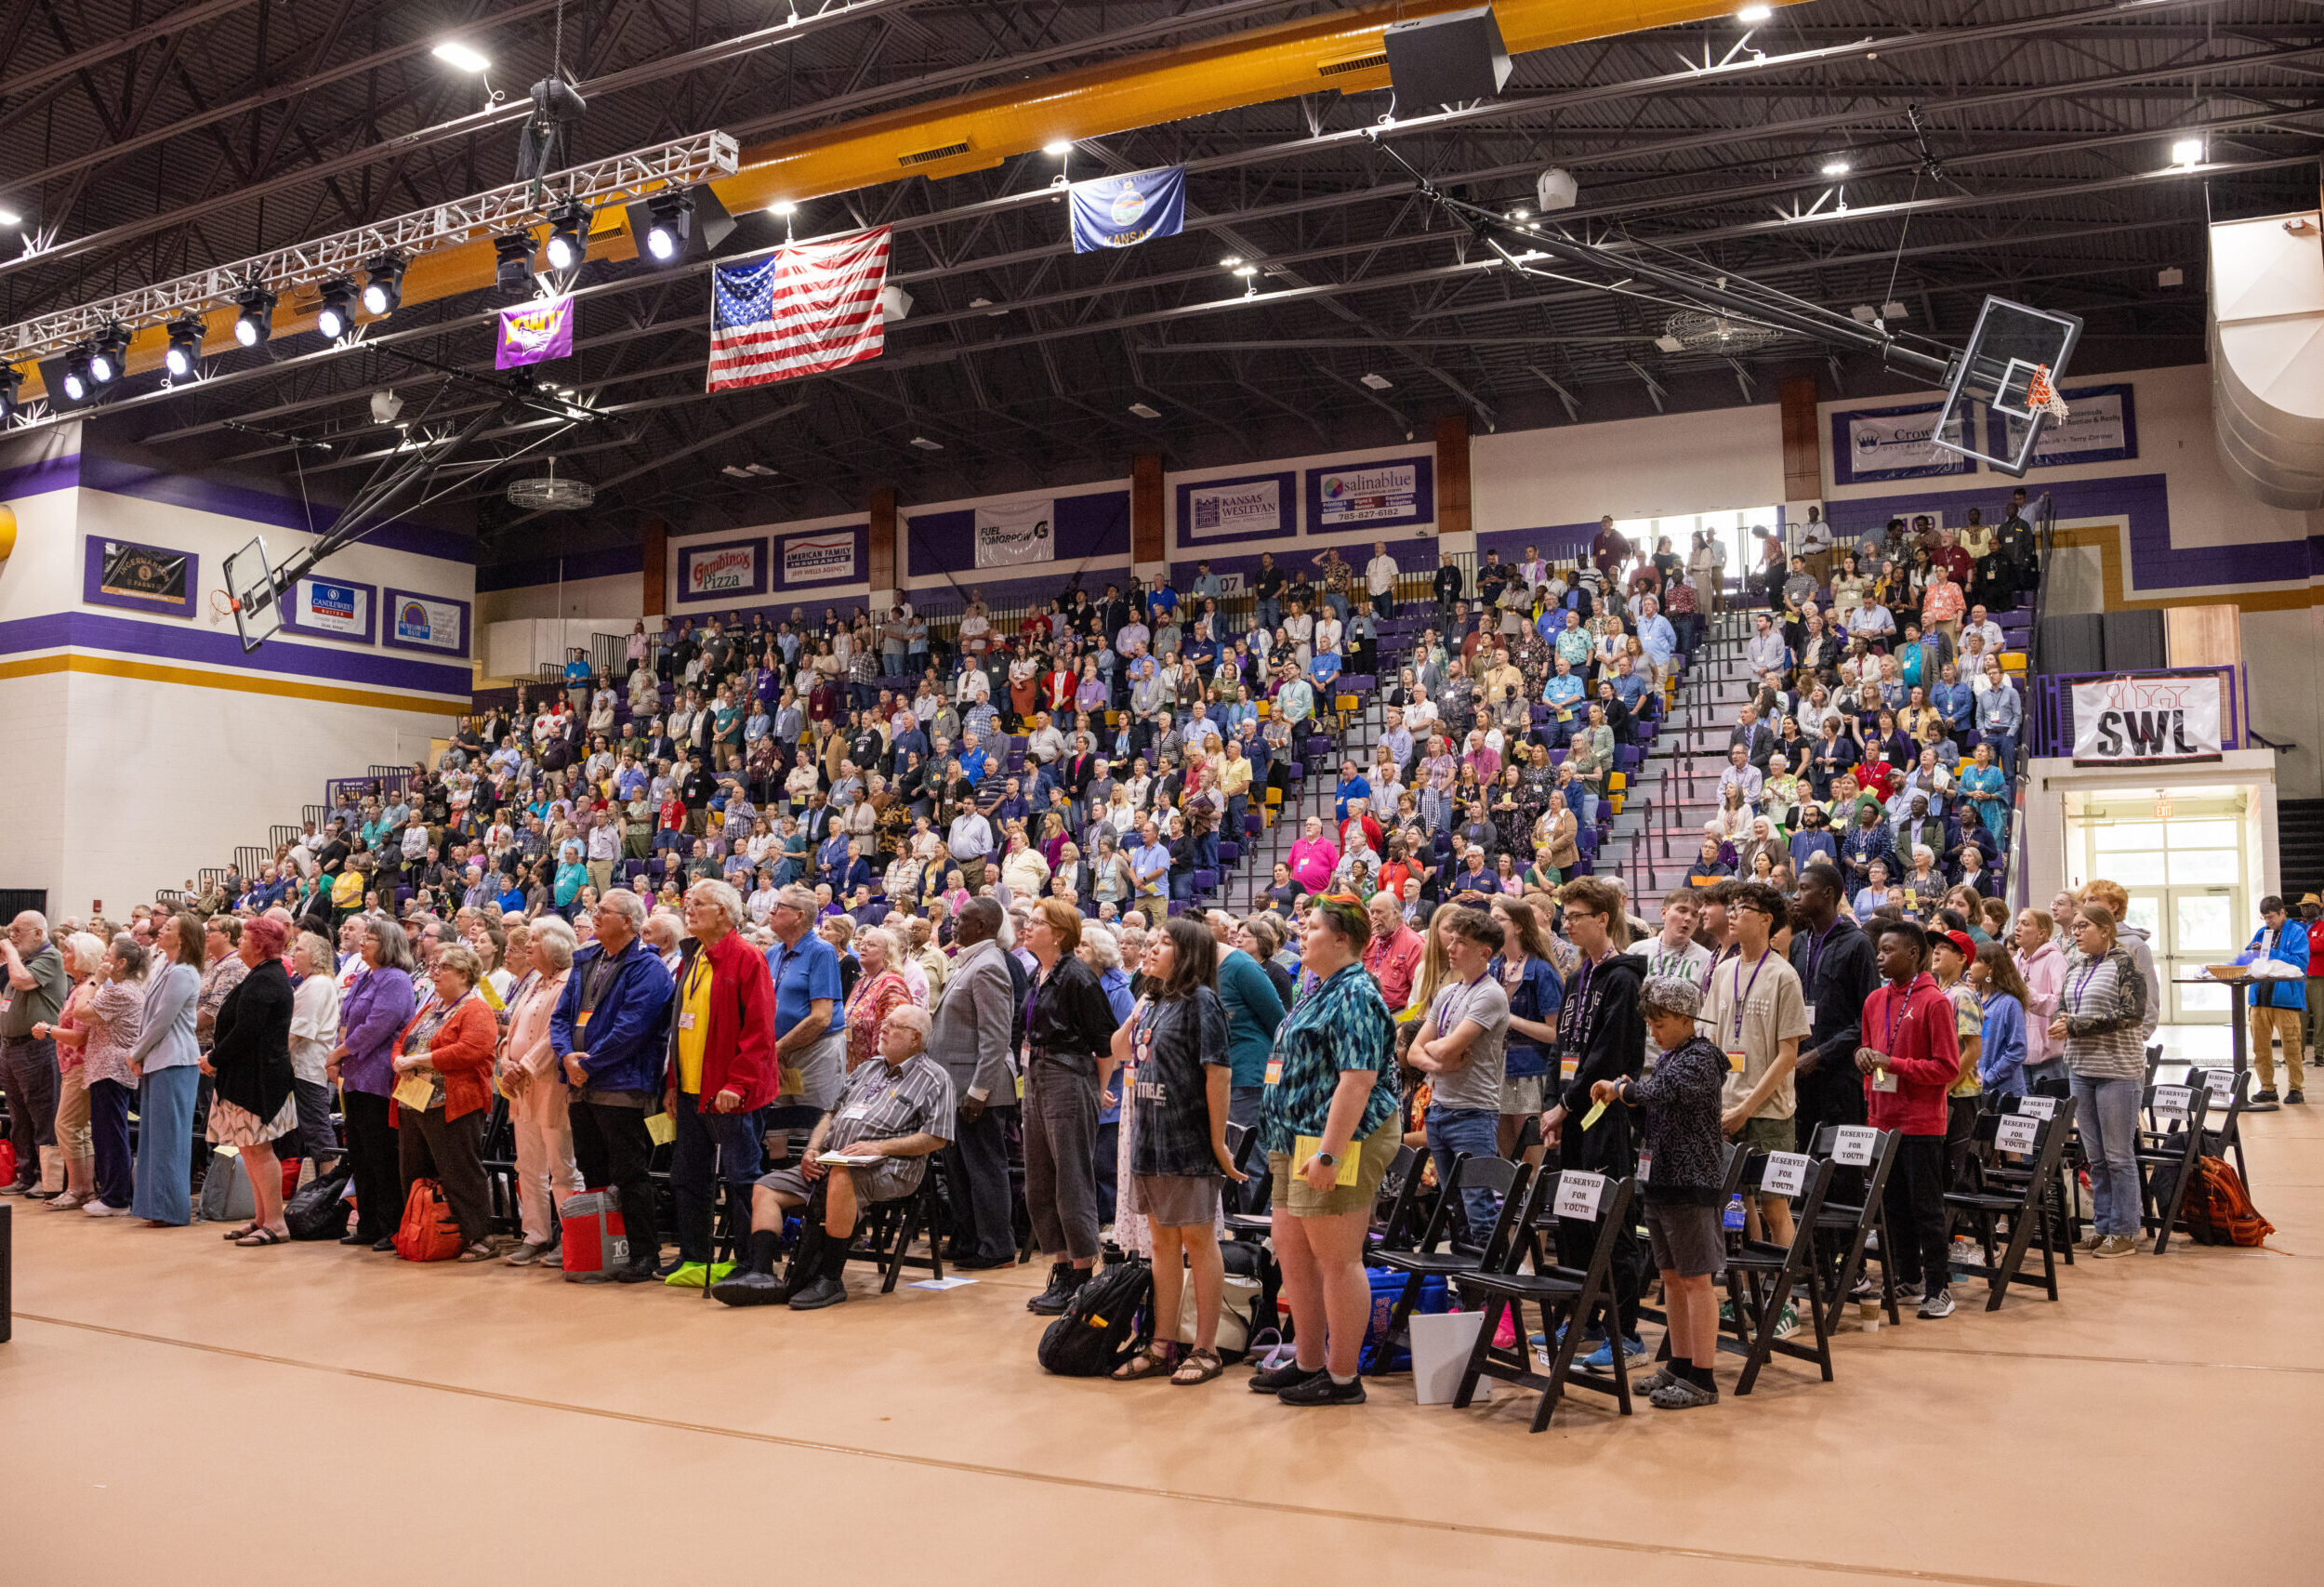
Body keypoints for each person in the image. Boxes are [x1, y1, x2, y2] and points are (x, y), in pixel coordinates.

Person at [1251, 895, 1402, 1407]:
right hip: (1292, 1138)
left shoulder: (1356, 991)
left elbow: (1357, 1082)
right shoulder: (1316, 987)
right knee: (1293, 1250)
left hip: (1338, 1139)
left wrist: (1332, 1155)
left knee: (1337, 1259)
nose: (1301, 931)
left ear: (1342, 938)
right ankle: (1308, 1359)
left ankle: (1342, 1378)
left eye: (1311, 926)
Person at [711, 1004, 954, 1310]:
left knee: (841, 1175)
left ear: (915, 1038)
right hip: (833, 1158)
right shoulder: (869, 1067)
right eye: (885, 1022)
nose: (884, 1028)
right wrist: (813, 1149)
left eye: (894, 1026)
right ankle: (761, 1274)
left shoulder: (935, 1078)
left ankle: (829, 1278)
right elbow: (831, 1114)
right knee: (766, 1188)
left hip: (891, 1168)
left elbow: (937, 1137)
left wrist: (880, 1147)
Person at [1107, 919, 1243, 1385]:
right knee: (1161, 1244)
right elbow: (1118, 1047)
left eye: (1163, 943)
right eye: (1150, 941)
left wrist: (1218, 1141)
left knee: (1198, 1242)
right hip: (1149, 1140)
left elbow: (1217, 1074)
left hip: (1187, 1143)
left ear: (1187, 955)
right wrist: (1139, 1005)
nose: (1150, 948)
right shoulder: (1154, 1001)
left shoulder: (1201, 1002)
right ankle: (1162, 1343)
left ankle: (1206, 1348)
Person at [1594, 974, 1728, 1409]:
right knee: (1672, 1278)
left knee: (1696, 1280)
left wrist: (1624, 1091)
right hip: (1662, 1180)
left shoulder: (1702, 1057)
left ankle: (1703, 1379)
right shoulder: (1673, 1056)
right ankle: (1681, 1364)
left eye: (1662, 1022)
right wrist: (1629, 1094)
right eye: (1650, 1024)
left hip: (1692, 1183)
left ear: (1688, 1019)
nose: (1655, 1031)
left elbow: (1666, 1092)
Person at [1538, 877, 1651, 1368]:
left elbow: (1607, 1055)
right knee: (1573, 1220)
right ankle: (1582, 1317)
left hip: (1606, 1115)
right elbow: (1562, 1051)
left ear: (1603, 919)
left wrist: (1565, 1106)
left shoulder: (1624, 979)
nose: (1567, 923)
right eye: (1565, 915)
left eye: (1576, 915)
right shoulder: (1576, 978)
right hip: (1572, 1113)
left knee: (1612, 1223)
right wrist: (1554, 1106)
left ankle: (1626, 1334)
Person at [553, 890, 677, 1284]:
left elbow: (633, 1028)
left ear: (628, 921)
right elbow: (561, 1018)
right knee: (592, 1169)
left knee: (628, 1171)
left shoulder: (648, 968)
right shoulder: (585, 959)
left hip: (622, 1083)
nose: (595, 915)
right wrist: (566, 1058)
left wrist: (589, 1064)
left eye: (604, 910)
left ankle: (644, 1253)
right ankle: (606, 1245)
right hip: (580, 1082)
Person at [663, 879, 782, 1284]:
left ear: (725, 913)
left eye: (698, 903)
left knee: (742, 1177)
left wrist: (738, 1084)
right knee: (688, 1175)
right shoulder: (692, 956)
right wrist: (673, 1085)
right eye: (688, 901)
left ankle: (752, 1263)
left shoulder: (748, 958)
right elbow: (680, 1029)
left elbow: (760, 1032)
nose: (688, 908)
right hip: (691, 1091)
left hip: (733, 1093)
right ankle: (694, 1255)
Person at [1702, 880, 1811, 1274]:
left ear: (1766, 920)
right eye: (1730, 907)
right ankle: (1749, 1291)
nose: (1732, 914)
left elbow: (1788, 1056)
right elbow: (1713, 1040)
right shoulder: (1723, 970)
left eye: (1741, 908)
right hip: (1726, 1106)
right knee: (1737, 1201)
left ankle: (1787, 1299)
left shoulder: (1785, 976)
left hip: (1768, 1111)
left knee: (1773, 1203)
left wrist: (1747, 1107)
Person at [1856, 920, 1963, 1316]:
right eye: (1879, 950)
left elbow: (1947, 1068)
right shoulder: (1873, 1001)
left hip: (1921, 1123)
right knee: (1894, 1207)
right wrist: (1862, 1057)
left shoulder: (1934, 1002)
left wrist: (1893, 1064)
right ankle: (1910, 1279)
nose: (1880, 957)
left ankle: (1940, 1287)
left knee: (1927, 1210)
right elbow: (1869, 1050)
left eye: (1888, 950)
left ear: (1914, 954)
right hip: (1883, 1119)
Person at [1021, 896, 1117, 1314]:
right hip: (1037, 1077)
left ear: (1059, 933)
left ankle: (1082, 1272)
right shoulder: (1036, 975)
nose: (1027, 927)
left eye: (1036, 922)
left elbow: (1108, 1043)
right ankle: (1060, 1267)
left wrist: (1096, 1088)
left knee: (1071, 1180)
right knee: (1039, 1181)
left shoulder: (1078, 977)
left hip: (1068, 1076)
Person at [390, 942, 500, 1262]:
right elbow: (402, 1040)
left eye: (444, 968)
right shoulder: (432, 1007)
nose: (435, 973)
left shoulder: (476, 1009)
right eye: (434, 967)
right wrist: (399, 1059)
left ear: (464, 974)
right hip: (414, 1102)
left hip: (454, 1103)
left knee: (459, 1171)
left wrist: (419, 1059)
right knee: (414, 1171)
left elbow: (471, 1050)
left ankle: (480, 1236)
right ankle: (421, 1230)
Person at [1406, 907, 1511, 1244]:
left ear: (1485, 952)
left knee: (1478, 1208)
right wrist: (1439, 1065)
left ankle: (1493, 1291)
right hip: (1439, 1110)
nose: (1450, 948)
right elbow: (1413, 1053)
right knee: (1454, 1209)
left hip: (1473, 1112)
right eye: (1451, 940)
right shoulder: (1449, 993)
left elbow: (1447, 1047)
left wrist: (1436, 1055)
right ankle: (1468, 1291)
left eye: (1461, 942)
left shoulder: (1490, 994)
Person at [926, 897, 1019, 1268]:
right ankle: (967, 1237)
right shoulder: (970, 961)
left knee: (984, 1168)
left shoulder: (989, 967)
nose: (953, 923)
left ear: (981, 926)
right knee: (958, 1168)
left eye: (962, 919)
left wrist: (979, 1090)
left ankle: (996, 1243)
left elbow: (996, 1036)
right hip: (956, 1085)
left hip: (978, 1088)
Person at [2053, 903, 2149, 1258]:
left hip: (2118, 1071)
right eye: (2074, 927)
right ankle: (2103, 1227)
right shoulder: (2077, 965)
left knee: (2118, 1156)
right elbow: (2066, 1006)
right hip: (2081, 1068)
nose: (2075, 932)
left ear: (2105, 930)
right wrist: (2063, 1019)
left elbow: (2132, 1014)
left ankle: (2124, 1232)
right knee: (2095, 1157)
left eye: (2083, 926)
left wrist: (2075, 1025)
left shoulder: (2125, 964)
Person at [203, 915, 299, 1246]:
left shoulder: (266, 979)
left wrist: (213, 1058)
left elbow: (246, 1031)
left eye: (244, 938)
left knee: (259, 1150)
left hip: (258, 1081)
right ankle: (261, 1218)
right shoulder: (260, 975)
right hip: (248, 1077)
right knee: (249, 1149)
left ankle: (276, 1222)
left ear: (259, 944)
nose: (239, 942)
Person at [500, 916, 581, 1264]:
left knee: (562, 1166)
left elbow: (556, 1036)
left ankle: (573, 1238)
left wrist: (525, 1067)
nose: (528, 946)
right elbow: (511, 1031)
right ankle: (536, 1235)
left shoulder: (568, 982)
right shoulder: (534, 983)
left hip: (549, 1086)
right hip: (521, 1088)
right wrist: (505, 1061)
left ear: (554, 944)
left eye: (534, 940)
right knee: (527, 1166)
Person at [126, 912, 205, 1226]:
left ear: (183, 938)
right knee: (153, 1139)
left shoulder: (183, 973)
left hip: (175, 1060)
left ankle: (170, 1209)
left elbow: (162, 1020)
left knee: (169, 1139)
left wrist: (135, 1053)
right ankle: (153, 1205)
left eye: (168, 928)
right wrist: (141, 1054)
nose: (161, 930)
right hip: (159, 1059)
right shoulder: (166, 967)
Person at [0, 911, 71, 1197]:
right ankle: (25, 1174)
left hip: (37, 1049)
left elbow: (21, 981)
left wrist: (8, 950)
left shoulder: (50, 958)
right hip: (12, 1048)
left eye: (19, 931)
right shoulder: (25, 960)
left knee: (42, 1114)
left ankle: (48, 1179)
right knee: (18, 1117)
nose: (13, 936)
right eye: (11, 931)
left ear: (39, 934)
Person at [767, 882, 847, 1117]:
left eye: (778, 906)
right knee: (779, 1127)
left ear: (799, 916)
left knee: (816, 1126)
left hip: (816, 1052)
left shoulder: (821, 951)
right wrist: (776, 1052)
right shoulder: (773, 952)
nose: (771, 911)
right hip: (780, 1053)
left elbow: (821, 1018)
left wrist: (776, 1050)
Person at [2243, 894, 2308, 1104]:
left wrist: (2273, 953)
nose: (2268, 922)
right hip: (2260, 997)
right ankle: (2267, 1087)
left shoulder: (2297, 932)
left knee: (2291, 1045)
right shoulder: (2263, 932)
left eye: (2271, 917)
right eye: (2264, 918)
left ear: (2282, 912)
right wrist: (2251, 953)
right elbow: (2248, 958)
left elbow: (2300, 963)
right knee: (2260, 1047)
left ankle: (2296, 1088)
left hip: (2285, 999)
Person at [1970, 944, 2030, 1099]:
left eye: (1976, 961)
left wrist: (1988, 1078)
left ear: (1990, 968)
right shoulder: (1972, 1000)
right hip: (1973, 1090)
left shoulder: (2009, 1004)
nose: (1969, 965)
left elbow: (2017, 1050)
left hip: (2003, 1095)